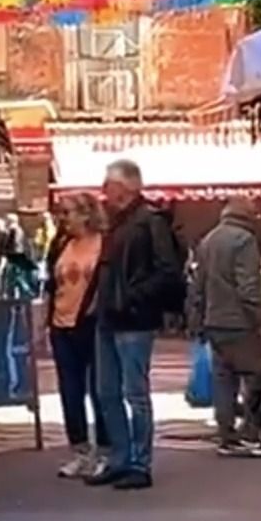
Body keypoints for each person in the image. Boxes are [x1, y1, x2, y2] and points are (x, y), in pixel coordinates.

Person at [85, 160, 186, 489]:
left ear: (126, 187)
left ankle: (139, 463)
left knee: (134, 392)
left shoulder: (149, 222)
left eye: (108, 184)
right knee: (106, 392)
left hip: (133, 319)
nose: (103, 191)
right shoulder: (117, 224)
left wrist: (132, 297)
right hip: (109, 317)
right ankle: (120, 457)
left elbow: (168, 270)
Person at [188, 206, 261, 454]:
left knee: (224, 378)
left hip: (214, 319)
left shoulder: (208, 239)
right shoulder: (244, 240)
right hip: (239, 320)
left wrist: (198, 321)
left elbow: (197, 287)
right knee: (259, 374)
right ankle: (251, 431)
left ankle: (226, 433)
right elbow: (248, 287)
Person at [46, 199, 107, 477]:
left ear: (86, 214)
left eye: (67, 213)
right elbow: (51, 282)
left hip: (91, 323)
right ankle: (80, 450)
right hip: (62, 323)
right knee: (70, 390)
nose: (63, 218)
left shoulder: (103, 244)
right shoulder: (60, 244)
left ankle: (105, 450)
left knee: (99, 389)